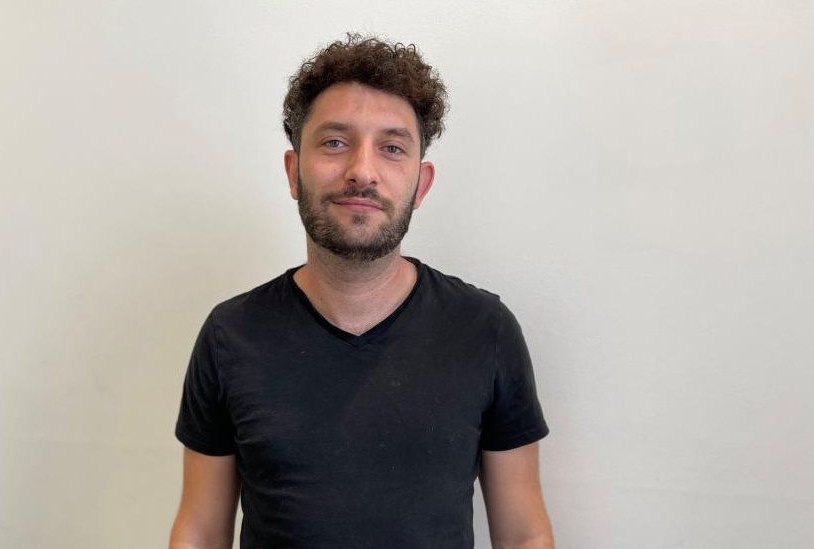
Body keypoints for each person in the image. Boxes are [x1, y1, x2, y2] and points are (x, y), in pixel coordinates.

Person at [169, 33, 553, 549]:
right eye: (334, 142)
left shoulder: (484, 331)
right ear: (292, 171)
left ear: (421, 184)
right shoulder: (230, 335)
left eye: (392, 148)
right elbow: (198, 530)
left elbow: (525, 534)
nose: (362, 171)